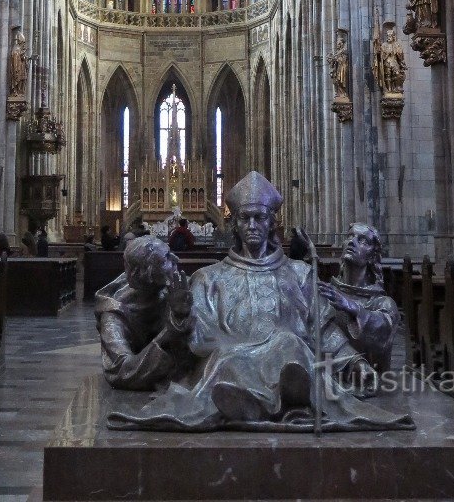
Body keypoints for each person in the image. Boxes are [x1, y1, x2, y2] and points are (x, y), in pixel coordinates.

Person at [108, 171, 413, 432]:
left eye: (260, 218)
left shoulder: (300, 273)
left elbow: (324, 328)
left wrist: (355, 362)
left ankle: (268, 395)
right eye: (245, 218)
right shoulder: (208, 278)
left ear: (271, 223)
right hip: (229, 363)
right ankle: (275, 396)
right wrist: (179, 317)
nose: (253, 224)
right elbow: (196, 342)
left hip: (288, 352)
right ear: (235, 225)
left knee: (289, 343)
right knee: (227, 361)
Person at [95, 235, 195, 390]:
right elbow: (121, 371)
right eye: (166, 259)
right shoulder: (114, 316)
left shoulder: (175, 289)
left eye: (170, 253)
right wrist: (171, 328)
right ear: (147, 273)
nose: (176, 259)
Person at [318, 223, 399, 374]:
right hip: (326, 379)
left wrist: (353, 308)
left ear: (372, 256)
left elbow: (382, 335)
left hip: (368, 381)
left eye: (362, 240)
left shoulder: (382, 303)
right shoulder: (327, 294)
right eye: (349, 236)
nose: (352, 242)